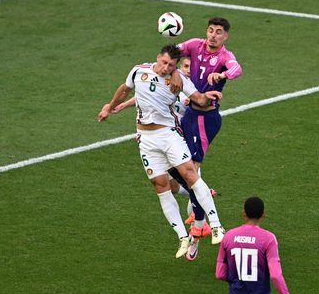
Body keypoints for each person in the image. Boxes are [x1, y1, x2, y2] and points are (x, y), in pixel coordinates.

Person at [97, 45, 226, 259]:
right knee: (161, 186)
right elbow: (125, 89)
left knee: (189, 174)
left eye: (171, 66)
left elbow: (199, 99)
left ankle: (216, 226)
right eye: (164, 63)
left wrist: (210, 96)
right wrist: (109, 107)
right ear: (157, 57)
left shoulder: (179, 80)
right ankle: (183, 238)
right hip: (145, 140)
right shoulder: (139, 71)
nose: (166, 68)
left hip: (168, 134)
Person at [169, 17, 242, 247]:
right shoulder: (194, 45)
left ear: (225, 36)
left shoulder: (224, 57)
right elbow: (171, 52)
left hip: (205, 119)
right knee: (175, 167)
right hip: (190, 116)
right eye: (210, 30)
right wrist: (170, 67)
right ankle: (198, 200)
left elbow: (236, 69)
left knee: (190, 168)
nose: (213, 35)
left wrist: (221, 76)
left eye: (218, 32)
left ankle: (199, 227)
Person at [212, 197, 297, 294]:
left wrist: (237, 280)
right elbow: (276, 275)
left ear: (243, 214)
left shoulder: (229, 237)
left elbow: (219, 274)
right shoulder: (268, 239)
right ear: (263, 215)